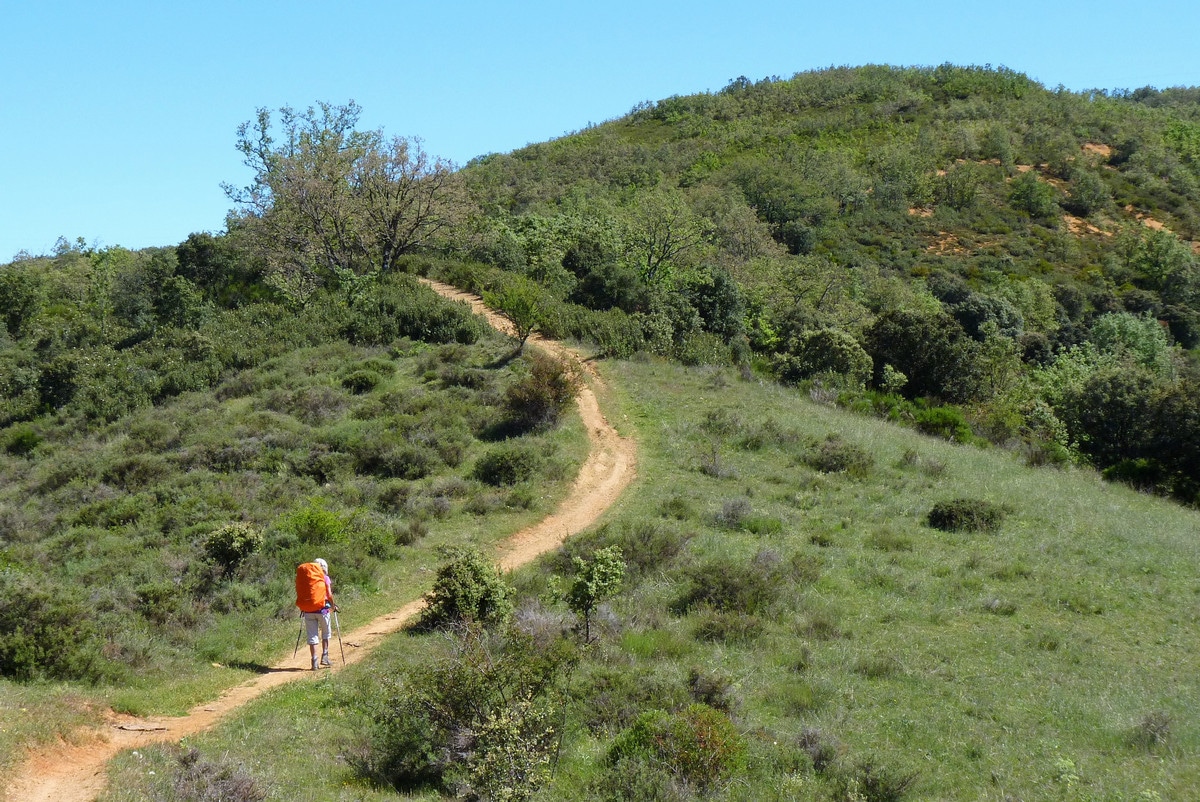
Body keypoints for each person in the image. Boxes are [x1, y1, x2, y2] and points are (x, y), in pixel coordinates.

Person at [302, 557, 337, 671]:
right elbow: (329, 595)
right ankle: (325, 657)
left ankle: (314, 661)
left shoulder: (308, 578)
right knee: (325, 633)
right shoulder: (325, 578)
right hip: (323, 610)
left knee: (312, 636)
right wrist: (333, 605)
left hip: (308, 610)